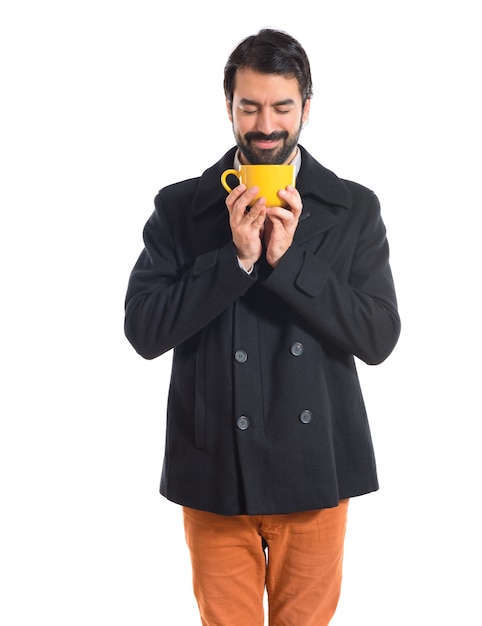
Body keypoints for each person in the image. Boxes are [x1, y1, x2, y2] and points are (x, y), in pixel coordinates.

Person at [124, 28, 400, 626]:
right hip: (215, 472)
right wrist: (238, 261)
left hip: (316, 473)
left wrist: (288, 262)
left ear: (306, 106)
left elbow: (378, 337)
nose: (265, 124)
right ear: (228, 108)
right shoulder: (181, 207)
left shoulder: (353, 208)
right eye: (249, 107)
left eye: (281, 106)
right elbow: (143, 330)